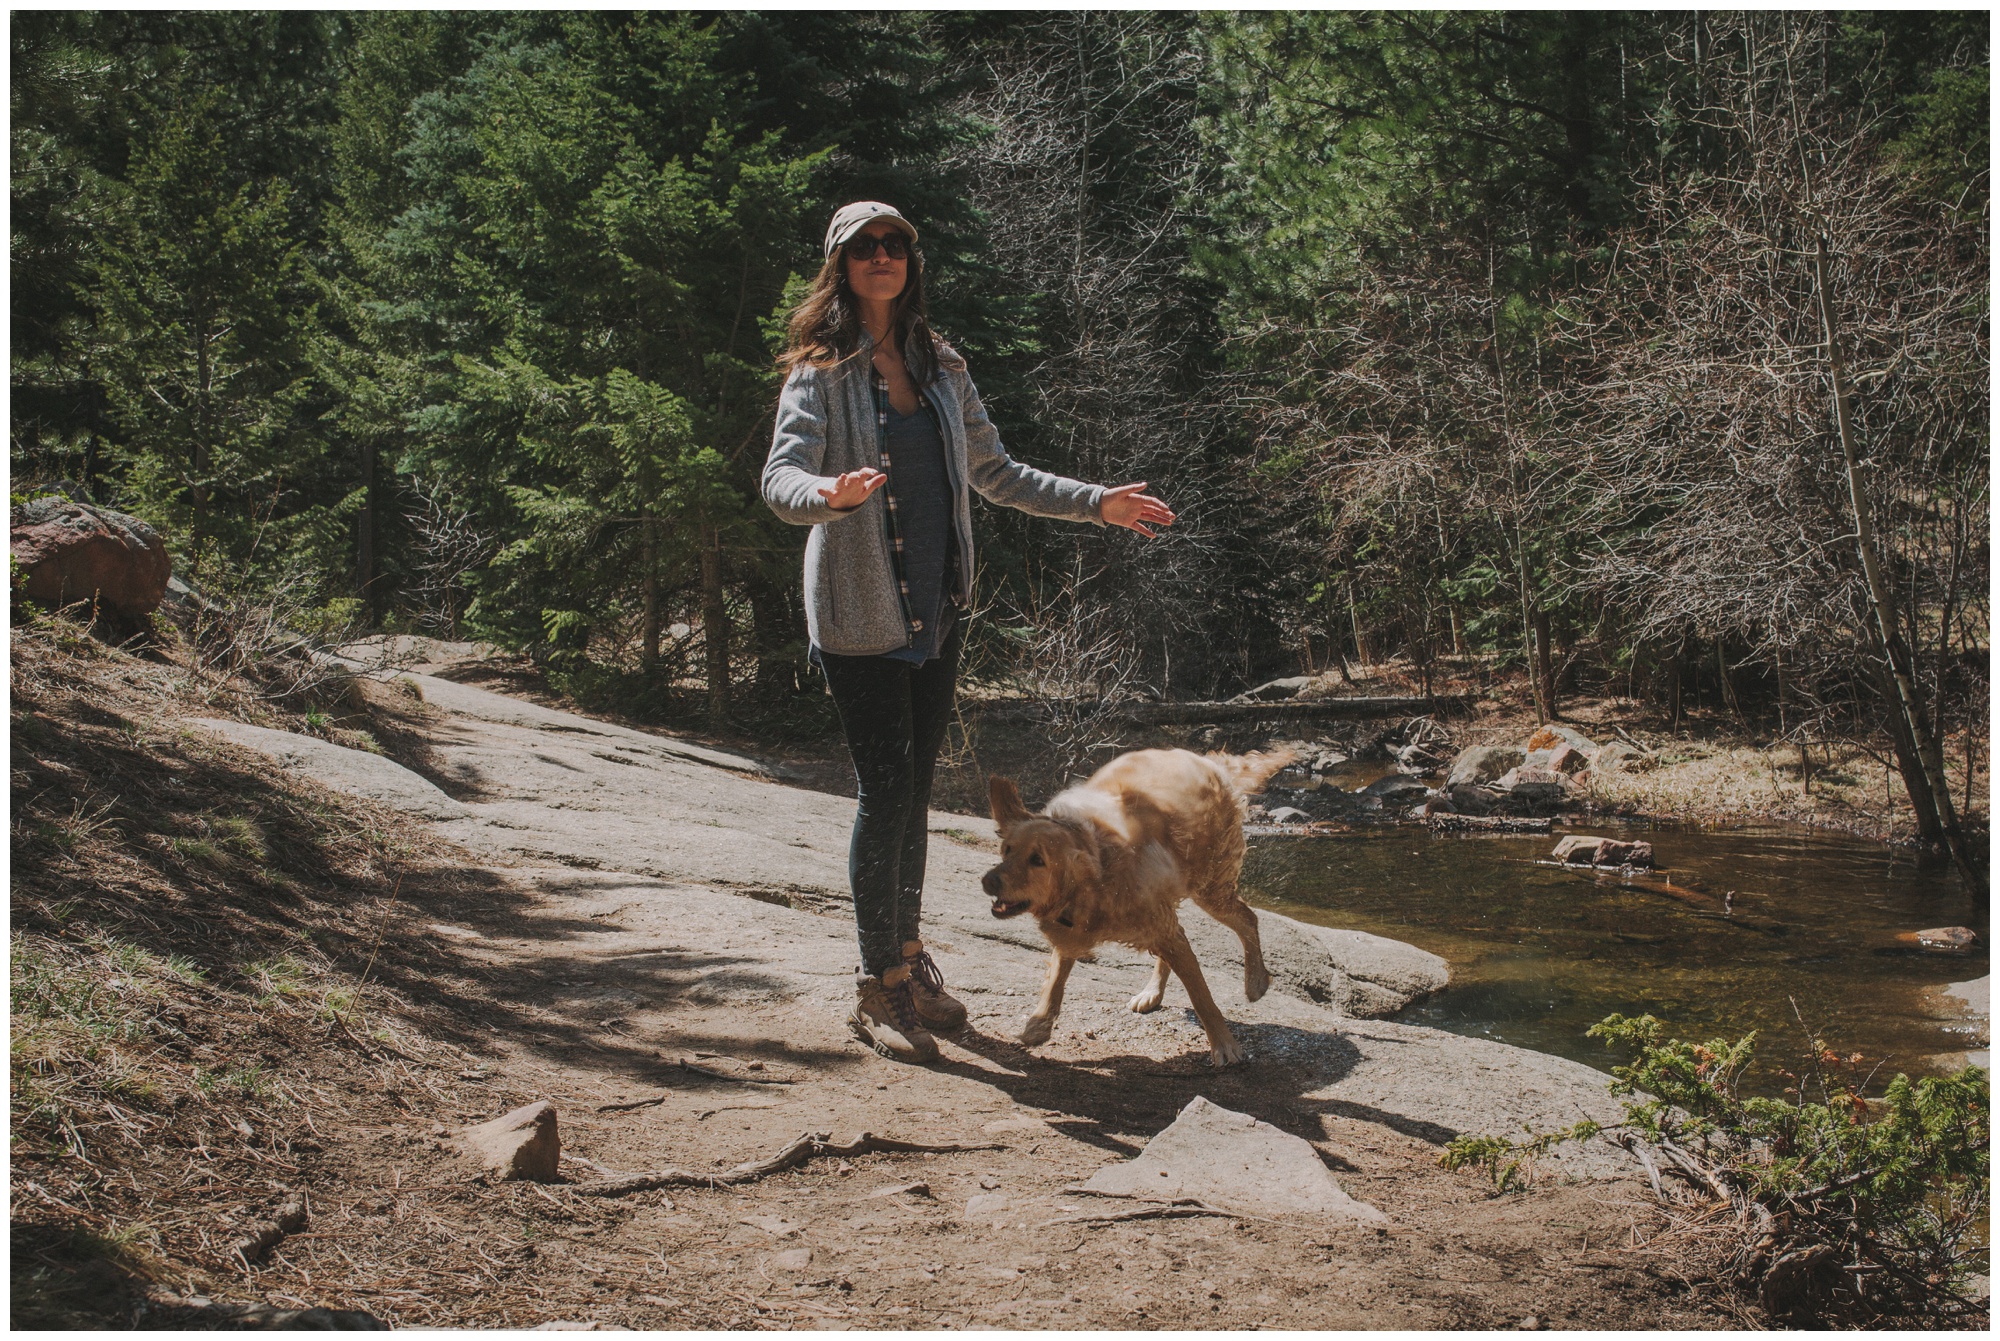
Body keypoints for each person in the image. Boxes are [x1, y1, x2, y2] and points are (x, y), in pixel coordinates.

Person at [761, 201, 1175, 1063]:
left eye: (897, 245)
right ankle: (882, 981)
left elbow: (995, 471)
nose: (884, 257)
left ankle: (909, 961)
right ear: (840, 265)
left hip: (934, 610)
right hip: (858, 613)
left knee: (914, 793)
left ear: (911, 260)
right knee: (884, 793)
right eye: (866, 247)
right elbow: (780, 477)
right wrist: (827, 495)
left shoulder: (940, 363)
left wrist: (1096, 502)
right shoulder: (819, 371)